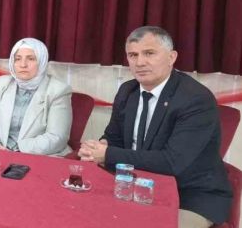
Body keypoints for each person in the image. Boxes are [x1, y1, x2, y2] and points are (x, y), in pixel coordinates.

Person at [78, 26, 232, 227]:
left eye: (149, 53)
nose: (140, 62)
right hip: (133, 184)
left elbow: (171, 163)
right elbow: (113, 137)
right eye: (133, 55)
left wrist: (107, 154)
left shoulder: (196, 99)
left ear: (171, 57)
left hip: (190, 195)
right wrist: (98, 147)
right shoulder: (127, 91)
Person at [0, 38, 72, 156]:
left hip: (37, 155)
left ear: (42, 61)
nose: (23, 65)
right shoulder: (4, 83)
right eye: (18, 59)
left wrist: (17, 150)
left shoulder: (58, 90)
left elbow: (57, 138)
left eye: (31, 59)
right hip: (0, 151)